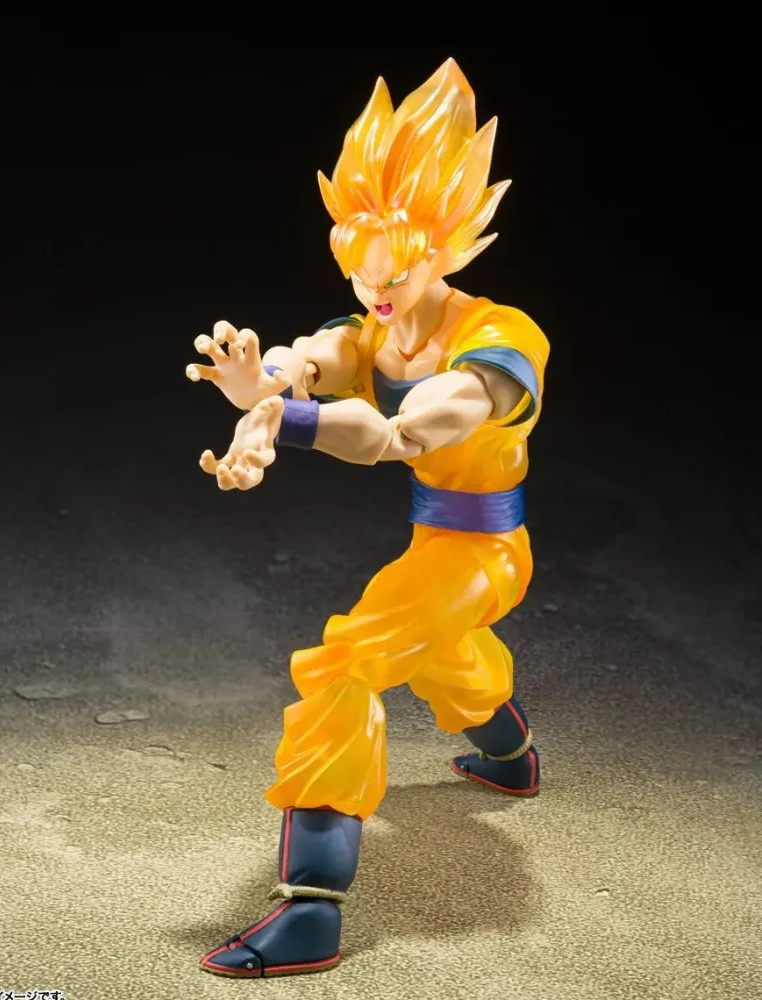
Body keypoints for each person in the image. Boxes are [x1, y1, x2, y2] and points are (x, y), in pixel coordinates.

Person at [186, 57, 550, 979]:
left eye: (396, 271)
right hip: (440, 543)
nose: (375, 291)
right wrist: (261, 386)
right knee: (434, 648)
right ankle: (510, 754)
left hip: (490, 551)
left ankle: (311, 909)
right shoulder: (375, 328)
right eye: (358, 272)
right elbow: (311, 358)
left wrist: (288, 420)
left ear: (448, 248)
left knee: (348, 662)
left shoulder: (500, 339)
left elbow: (404, 433)